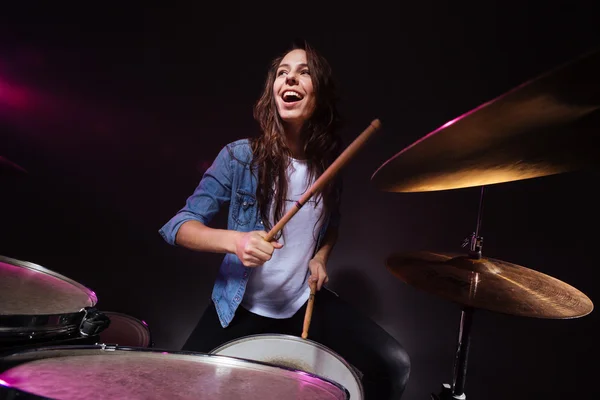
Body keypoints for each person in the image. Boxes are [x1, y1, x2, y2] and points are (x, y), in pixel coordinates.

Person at [159, 39, 410, 399]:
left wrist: (320, 257)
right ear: (273, 91)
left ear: (319, 96)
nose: (289, 80)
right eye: (282, 73)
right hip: (241, 308)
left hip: (300, 304)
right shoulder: (239, 157)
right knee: (179, 389)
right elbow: (178, 226)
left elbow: (330, 225)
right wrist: (237, 241)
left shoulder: (328, 168)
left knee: (392, 365)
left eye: (303, 73)